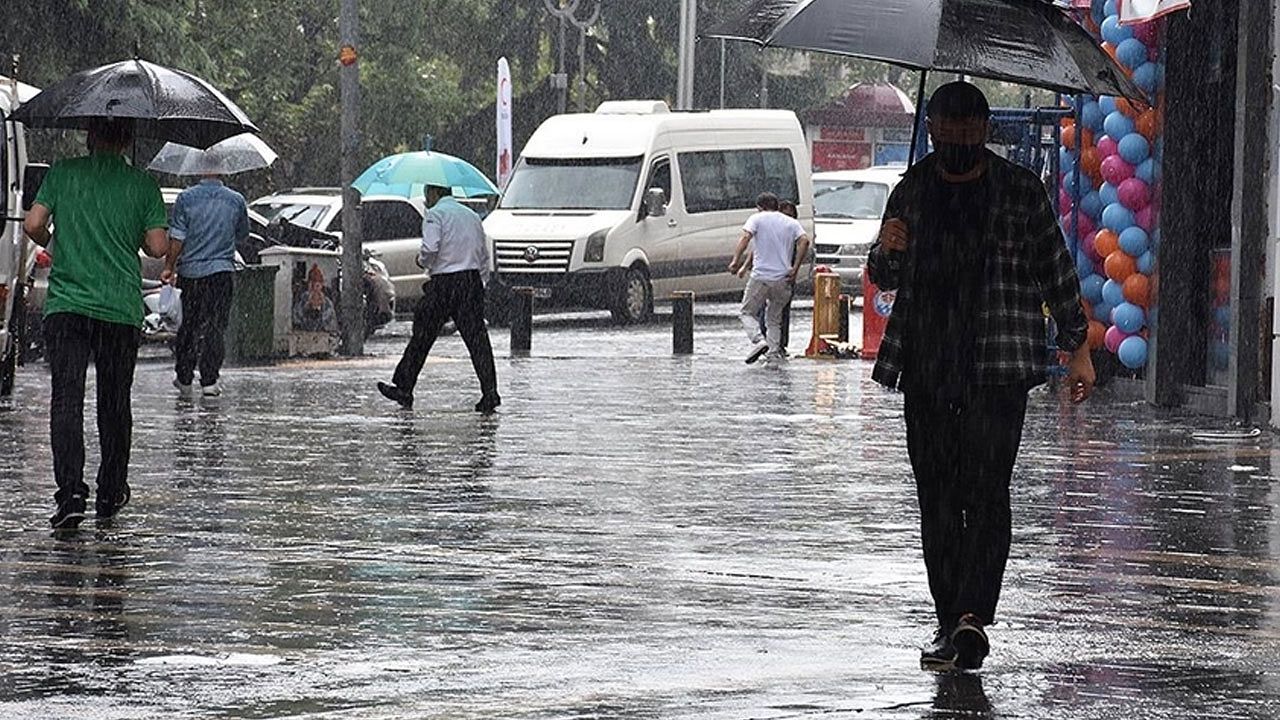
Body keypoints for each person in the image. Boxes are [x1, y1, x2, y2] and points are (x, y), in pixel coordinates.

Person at [865, 82, 1095, 671]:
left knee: (987, 492)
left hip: (997, 370)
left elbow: (1056, 272)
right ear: (934, 129)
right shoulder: (912, 190)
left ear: (985, 130)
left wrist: (1079, 347)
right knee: (937, 498)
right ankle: (950, 618)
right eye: (949, 127)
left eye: (971, 127)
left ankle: (971, 617)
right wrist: (886, 249)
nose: (960, 138)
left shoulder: (1019, 191)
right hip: (927, 368)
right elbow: (884, 276)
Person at [22, 118, 170, 529]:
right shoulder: (142, 185)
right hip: (119, 309)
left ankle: (70, 493)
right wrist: (132, 232)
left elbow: (33, 224)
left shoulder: (64, 173)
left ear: (89, 137)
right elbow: (157, 247)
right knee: (114, 402)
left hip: (68, 305)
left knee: (66, 400)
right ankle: (110, 490)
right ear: (127, 139)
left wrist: (59, 241)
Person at [378, 184, 500, 413]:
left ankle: (404, 386)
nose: (426, 200)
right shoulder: (472, 216)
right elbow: (483, 254)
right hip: (470, 281)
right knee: (478, 341)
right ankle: (490, 392)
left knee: (422, 336)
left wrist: (421, 260)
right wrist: (479, 283)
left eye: (426, 195)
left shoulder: (435, 215)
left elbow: (431, 248)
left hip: (444, 283)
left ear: (433, 193)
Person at [162, 173, 250, 398]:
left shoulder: (186, 198)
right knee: (216, 327)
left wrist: (169, 266)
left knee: (189, 326)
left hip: (191, 274)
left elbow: (177, 238)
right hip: (221, 273)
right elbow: (242, 235)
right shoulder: (236, 200)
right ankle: (210, 380)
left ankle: (184, 377)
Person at [728, 192, 809, 364]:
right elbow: (804, 241)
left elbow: (745, 238)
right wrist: (795, 268)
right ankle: (773, 353)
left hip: (761, 276)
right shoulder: (791, 223)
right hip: (783, 278)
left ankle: (759, 341)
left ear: (760, 207)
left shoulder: (756, 219)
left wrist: (736, 261)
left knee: (746, 313)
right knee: (774, 319)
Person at [755, 199, 801, 352]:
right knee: (764, 310)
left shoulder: (793, 231)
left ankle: (778, 344)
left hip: (784, 277)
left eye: (791, 216)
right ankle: (767, 341)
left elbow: (804, 245)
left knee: (781, 311)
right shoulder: (776, 231)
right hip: (768, 275)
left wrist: (794, 270)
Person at [292, 264, 337, 332]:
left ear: (321, 285)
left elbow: (330, 324)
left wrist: (320, 309)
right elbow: (297, 320)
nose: (315, 289)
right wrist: (307, 307)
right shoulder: (302, 300)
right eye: (312, 285)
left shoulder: (327, 304)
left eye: (318, 285)